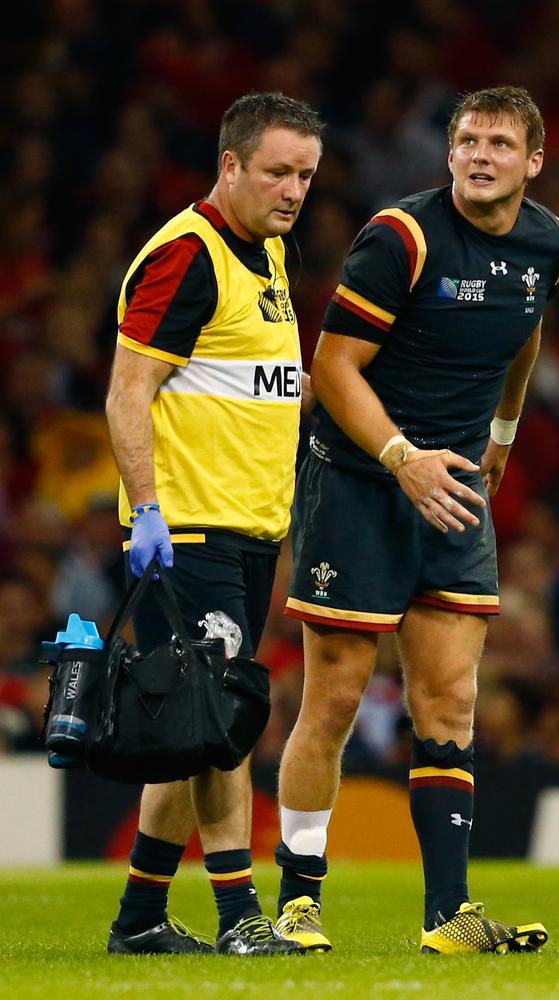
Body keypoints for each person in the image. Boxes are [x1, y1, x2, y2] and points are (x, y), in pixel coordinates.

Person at [273, 86, 559, 954]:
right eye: (467, 141)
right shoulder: (399, 239)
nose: (481, 156)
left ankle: (448, 916)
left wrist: (506, 429)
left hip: (453, 488)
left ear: (533, 162)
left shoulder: (549, 245)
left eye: (500, 144)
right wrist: (402, 459)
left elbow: (525, 330)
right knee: (331, 700)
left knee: (450, 700)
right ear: (448, 155)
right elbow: (331, 368)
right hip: (363, 483)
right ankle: (300, 904)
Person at [104, 92, 323, 956]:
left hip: (249, 529)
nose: (294, 189)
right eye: (277, 170)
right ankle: (241, 919)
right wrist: (149, 509)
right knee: (223, 721)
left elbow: (258, 391)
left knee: (194, 726)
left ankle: (140, 920)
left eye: (305, 174)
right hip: (189, 526)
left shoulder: (265, 253)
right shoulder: (186, 257)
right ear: (229, 164)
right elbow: (128, 391)